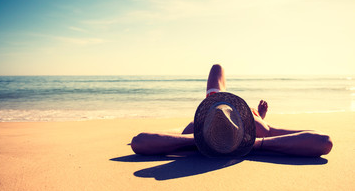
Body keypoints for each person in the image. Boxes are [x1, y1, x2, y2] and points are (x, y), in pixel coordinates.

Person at [131, 64, 333, 157]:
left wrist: (199, 140)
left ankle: (225, 106)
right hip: (249, 128)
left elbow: (139, 141)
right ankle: (254, 115)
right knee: (266, 129)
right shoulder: (259, 133)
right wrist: (255, 143)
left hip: (213, 123)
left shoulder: (195, 130)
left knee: (216, 69)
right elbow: (323, 141)